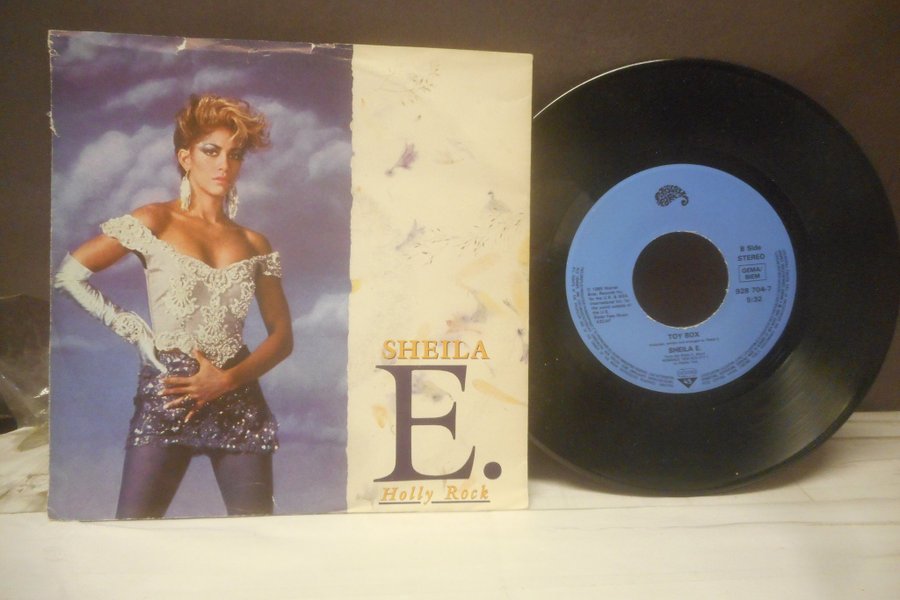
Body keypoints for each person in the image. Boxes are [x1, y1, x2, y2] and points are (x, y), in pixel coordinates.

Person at [54, 94, 293, 518]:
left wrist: (226, 380)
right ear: (185, 158)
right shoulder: (155, 220)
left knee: (257, 538)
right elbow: (69, 276)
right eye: (211, 151)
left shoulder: (255, 243)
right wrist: (135, 331)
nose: (224, 164)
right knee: (133, 535)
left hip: (238, 397)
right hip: (169, 392)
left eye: (235, 154)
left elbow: (283, 337)